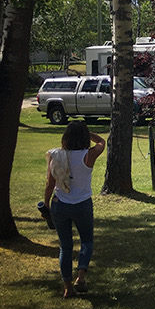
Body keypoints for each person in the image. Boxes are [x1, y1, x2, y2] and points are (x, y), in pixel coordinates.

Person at [45, 121, 106, 298]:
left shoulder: (55, 155)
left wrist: (46, 204)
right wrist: (89, 133)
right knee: (86, 241)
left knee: (65, 247)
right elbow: (102, 142)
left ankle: (67, 287)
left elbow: (50, 184)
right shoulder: (89, 155)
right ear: (84, 137)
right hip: (82, 204)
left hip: (60, 204)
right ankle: (80, 277)